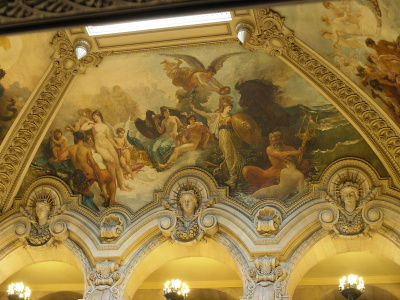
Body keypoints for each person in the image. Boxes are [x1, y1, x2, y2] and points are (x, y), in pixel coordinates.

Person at [190, 96, 238, 188]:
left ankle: (233, 177)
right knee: (225, 154)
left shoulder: (232, 117)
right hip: (222, 136)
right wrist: (194, 109)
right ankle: (228, 175)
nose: (230, 109)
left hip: (229, 136)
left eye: (231, 108)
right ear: (224, 107)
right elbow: (205, 114)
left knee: (229, 154)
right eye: (229, 107)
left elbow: (238, 127)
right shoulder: (218, 115)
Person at [59, 131, 118, 207]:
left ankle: (104, 193)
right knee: (111, 179)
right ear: (83, 139)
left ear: (76, 138)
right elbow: (94, 164)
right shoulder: (86, 149)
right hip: (89, 174)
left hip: (79, 174)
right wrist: (100, 177)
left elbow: (60, 158)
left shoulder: (69, 149)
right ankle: (112, 201)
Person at [81, 110, 131, 192]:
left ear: (99, 115)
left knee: (117, 165)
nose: (94, 117)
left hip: (108, 145)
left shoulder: (105, 126)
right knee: (110, 161)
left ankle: (122, 185)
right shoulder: (93, 126)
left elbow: (110, 139)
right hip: (100, 146)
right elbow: (82, 128)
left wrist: (118, 147)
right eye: (93, 116)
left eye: (95, 115)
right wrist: (88, 122)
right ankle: (114, 184)